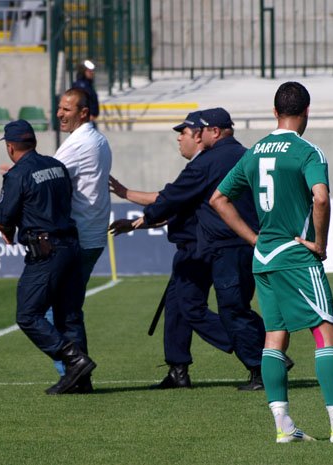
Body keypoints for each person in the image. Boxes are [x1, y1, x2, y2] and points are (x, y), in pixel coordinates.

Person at [210, 81, 333, 443]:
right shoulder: (308, 152)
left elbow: (218, 199)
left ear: (274, 112)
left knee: (275, 336)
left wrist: (254, 239)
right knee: (326, 332)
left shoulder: (254, 151)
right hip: (295, 257)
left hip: (264, 259)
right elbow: (320, 199)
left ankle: (284, 426)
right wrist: (319, 245)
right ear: (307, 111)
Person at [109, 109, 273, 390]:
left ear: (214, 132)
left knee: (230, 309)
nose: (189, 136)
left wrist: (143, 219)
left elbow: (171, 198)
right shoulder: (246, 154)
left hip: (224, 245)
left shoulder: (210, 161)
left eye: (194, 131)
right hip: (238, 242)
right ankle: (179, 370)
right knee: (186, 305)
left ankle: (264, 361)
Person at [0, 119, 96, 395]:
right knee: (70, 316)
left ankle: (74, 360)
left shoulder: (17, 174)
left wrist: (7, 229)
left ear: (11, 146)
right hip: (71, 247)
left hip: (46, 252)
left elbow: (4, 217)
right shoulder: (57, 166)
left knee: (28, 315)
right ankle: (81, 381)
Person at [44, 87, 112, 389]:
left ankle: (74, 371)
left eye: (67, 109)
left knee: (52, 311)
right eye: (59, 108)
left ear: (83, 112)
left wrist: (21, 175)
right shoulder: (98, 139)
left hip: (79, 236)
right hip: (92, 235)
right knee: (66, 307)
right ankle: (75, 373)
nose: (60, 114)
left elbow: (48, 178)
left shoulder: (79, 143)